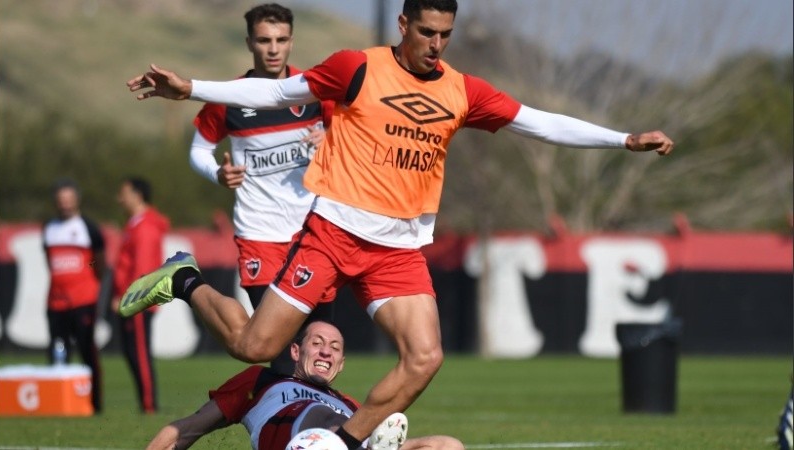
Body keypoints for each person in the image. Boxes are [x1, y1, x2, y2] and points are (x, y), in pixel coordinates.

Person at [123, 0, 674, 446]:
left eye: (446, 35)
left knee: (425, 357)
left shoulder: (461, 90)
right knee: (253, 347)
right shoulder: (356, 68)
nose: (436, 45)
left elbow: (537, 122)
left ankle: (342, 444)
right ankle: (184, 279)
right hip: (332, 237)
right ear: (404, 23)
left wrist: (622, 139)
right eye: (427, 31)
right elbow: (274, 91)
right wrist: (190, 87)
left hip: (397, 251)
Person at [189, 3, 334, 374]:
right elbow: (199, 149)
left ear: (291, 42)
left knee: (319, 341)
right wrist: (217, 174)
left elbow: (356, 133)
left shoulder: (313, 89)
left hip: (314, 233)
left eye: (281, 40)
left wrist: (332, 137)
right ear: (249, 42)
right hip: (260, 233)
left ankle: (307, 426)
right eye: (265, 40)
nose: (273, 49)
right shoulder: (231, 97)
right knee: (278, 347)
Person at [145, 320, 462, 450]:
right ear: (296, 351)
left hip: (352, 441)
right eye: (318, 343)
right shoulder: (261, 381)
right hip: (295, 441)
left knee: (449, 446)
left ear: (341, 364)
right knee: (323, 426)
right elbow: (186, 428)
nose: (326, 351)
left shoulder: (350, 405)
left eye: (335, 348)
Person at [42, 178, 106, 413]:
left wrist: (88, 282)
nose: (65, 204)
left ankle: (94, 404)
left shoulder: (87, 227)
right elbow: (49, 260)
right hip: (56, 302)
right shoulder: (48, 228)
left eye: (69, 200)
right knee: (58, 352)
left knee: (88, 352)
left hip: (83, 301)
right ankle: (58, 403)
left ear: (76, 200)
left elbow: (99, 262)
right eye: (61, 200)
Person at [111, 177, 170, 414]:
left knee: (140, 353)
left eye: (123, 192)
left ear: (137, 195)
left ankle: (148, 405)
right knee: (132, 351)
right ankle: (145, 403)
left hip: (137, 301)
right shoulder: (135, 224)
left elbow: (143, 268)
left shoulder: (145, 226)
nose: (120, 198)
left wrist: (129, 298)